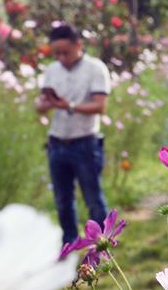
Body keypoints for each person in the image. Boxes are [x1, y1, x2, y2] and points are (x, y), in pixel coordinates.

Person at [35, 24, 111, 246]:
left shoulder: (95, 68)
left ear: (79, 45)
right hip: (56, 142)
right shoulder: (52, 70)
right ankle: (69, 244)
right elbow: (41, 107)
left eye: (65, 52)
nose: (61, 57)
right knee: (62, 200)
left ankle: (104, 243)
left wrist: (68, 105)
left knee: (93, 198)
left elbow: (99, 106)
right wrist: (44, 105)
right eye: (56, 53)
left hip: (85, 142)